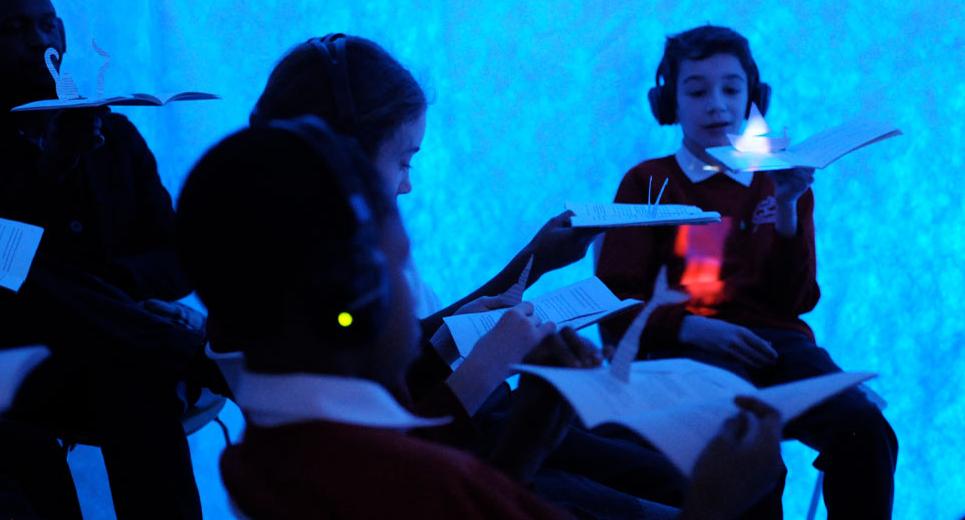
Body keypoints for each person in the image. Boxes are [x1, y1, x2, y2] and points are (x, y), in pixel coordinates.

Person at [175, 116, 786, 520]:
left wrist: (536, 421)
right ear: (359, 301)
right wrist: (714, 504)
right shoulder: (406, 482)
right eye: (404, 271)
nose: (418, 300)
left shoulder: (270, 452)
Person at [248, 34, 709, 515]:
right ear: (342, 161)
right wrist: (492, 372)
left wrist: (495, 297)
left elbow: (396, 364)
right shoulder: (304, 304)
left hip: (475, 434)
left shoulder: (329, 269)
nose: (407, 186)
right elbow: (398, 469)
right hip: (467, 456)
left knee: (674, 477)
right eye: (403, 162)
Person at [0, 0, 221, 520]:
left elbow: (176, 259)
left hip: (121, 356)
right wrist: (51, 169)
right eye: (15, 29)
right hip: (14, 366)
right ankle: (208, 359)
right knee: (23, 274)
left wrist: (120, 290)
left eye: (48, 25)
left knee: (134, 380)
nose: (40, 42)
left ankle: (173, 351)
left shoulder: (118, 138)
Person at [595, 24, 897, 519]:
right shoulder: (648, 182)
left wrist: (785, 207)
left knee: (862, 427)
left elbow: (794, 301)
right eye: (696, 90)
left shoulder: (781, 179)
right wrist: (692, 326)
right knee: (745, 450)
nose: (716, 104)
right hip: (686, 348)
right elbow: (616, 301)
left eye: (731, 89)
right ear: (668, 102)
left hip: (778, 344)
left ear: (754, 97)